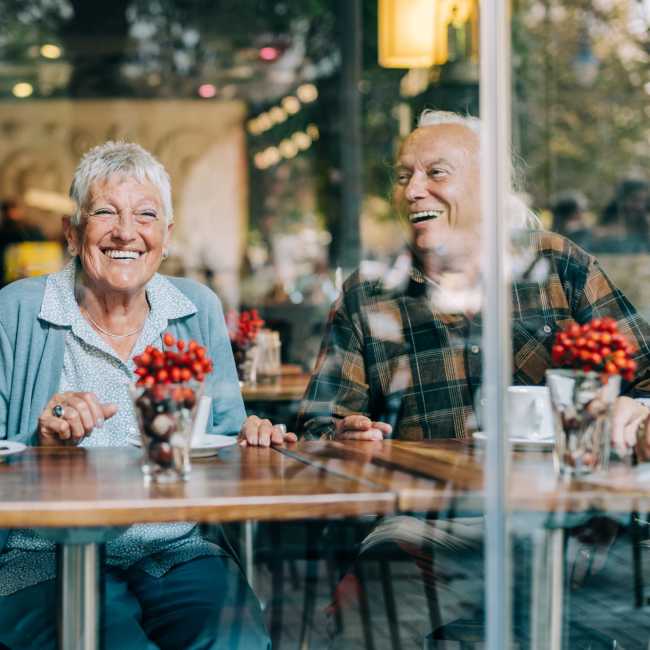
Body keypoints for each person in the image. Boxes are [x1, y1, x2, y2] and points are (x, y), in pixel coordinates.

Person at [283, 110, 650, 646]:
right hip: (431, 534)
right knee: (360, 627)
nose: (413, 190)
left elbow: (647, 374)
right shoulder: (369, 294)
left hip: (578, 528)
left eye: (436, 173)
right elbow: (317, 430)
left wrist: (636, 408)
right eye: (404, 175)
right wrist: (346, 439)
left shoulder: (556, 266)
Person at [0, 141, 277, 649]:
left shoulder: (195, 308)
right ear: (72, 231)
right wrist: (39, 437)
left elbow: (225, 440)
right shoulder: (17, 310)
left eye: (145, 215)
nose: (126, 232)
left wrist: (253, 436)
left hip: (175, 549)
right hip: (42, 555)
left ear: (165, 237)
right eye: (105, 212)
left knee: (234, 641)